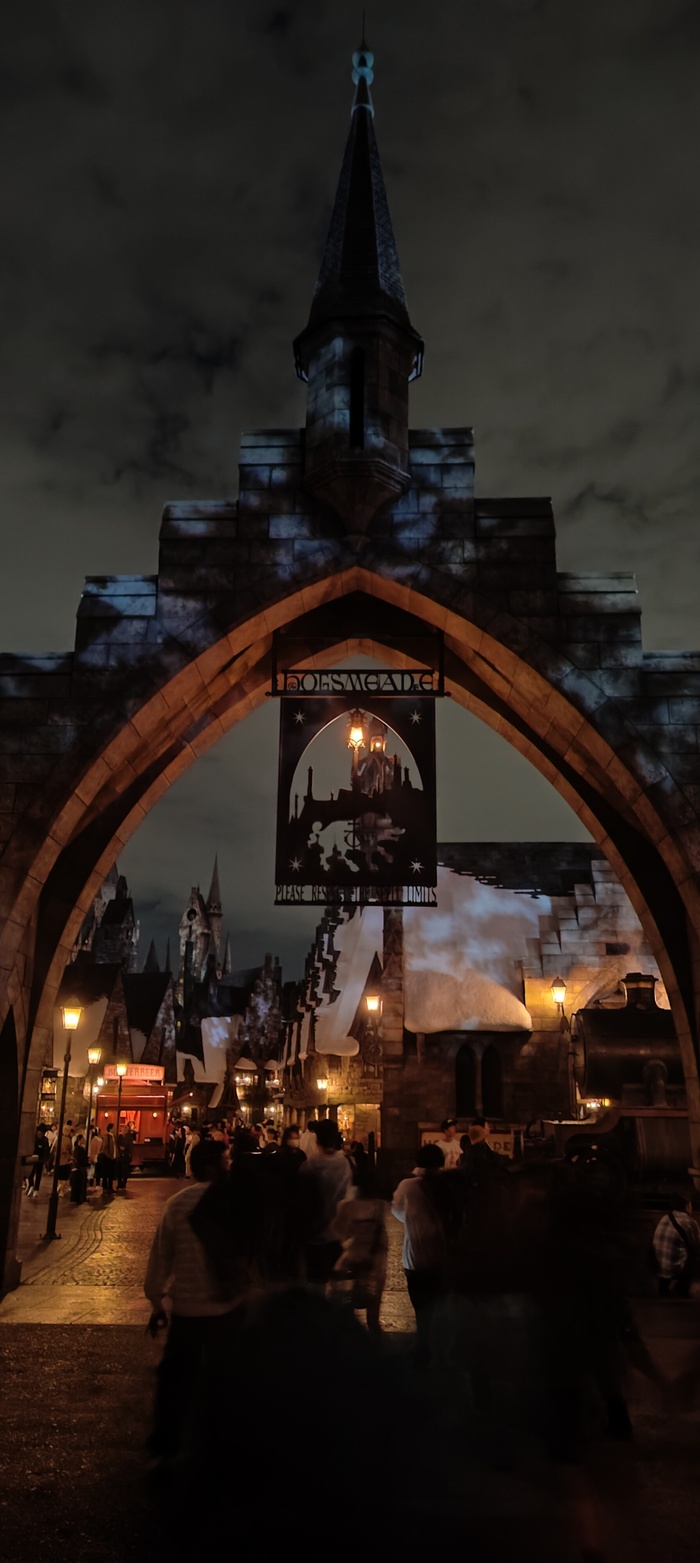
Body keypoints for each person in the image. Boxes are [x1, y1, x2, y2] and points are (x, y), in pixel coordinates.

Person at [145, 1138, 250, 1465]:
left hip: (187, 1306)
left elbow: (161, 1256)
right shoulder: (235, 1202)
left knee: (176, 1379)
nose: (230, 1165)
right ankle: (225, 1445)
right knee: (228, 1376)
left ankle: (166, 1447)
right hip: (227, 1304)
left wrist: (156, 1299)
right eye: (226, 1160)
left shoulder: (176, 1204)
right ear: (215, 1166)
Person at [392, 1143, 446, 1367]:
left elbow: (396, 1209)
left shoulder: (408, 1186)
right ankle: (436, 1345)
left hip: (415, 1254)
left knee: (420, 1303)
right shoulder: (447, 1185)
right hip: (441, 1254)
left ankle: (422, 1344)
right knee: (437, 1302)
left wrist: (412, 1220)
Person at [330, 1155, 388, 1333]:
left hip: (351, 1261)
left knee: (346, 1313)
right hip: (374, 1263)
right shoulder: (380, 1206)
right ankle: (376, 1347)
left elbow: (337, 1230)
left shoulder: (347, 1206)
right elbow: (382, 1236)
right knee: (373, 1317)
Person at [299, 1118, 352, 1284]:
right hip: (340, 1232)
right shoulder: (346, 1162)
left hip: (316, 1232)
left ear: (317, 1139)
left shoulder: (310, 1165)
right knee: (336, 1280)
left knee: (316, 1280)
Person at [653, 1189, 700, 1298]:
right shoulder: (690, 1222)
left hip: (658, 1266)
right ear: (687, 1206)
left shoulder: (665, 1218)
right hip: (674, 1269)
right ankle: (683, 1289)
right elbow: (697, 1246)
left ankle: (665, 1287)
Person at [27, 1123, 50, 1198]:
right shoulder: (34, 1138)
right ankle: (31, 1185)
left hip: (40, 1159)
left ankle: (36, 1189)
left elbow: (46, 1150)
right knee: (30, 1173)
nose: (39, 1133)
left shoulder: (44, 1140)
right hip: (33, 1158)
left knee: (38, 1174)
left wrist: (44, 1159)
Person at [70, 1134, 89, 1204]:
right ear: (80, 1140)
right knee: (78, 1184)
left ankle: (80, 1197)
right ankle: (78, 1198)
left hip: (80, 1167)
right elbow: (79, 1159)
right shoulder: (78, 1148)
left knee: (80, 1184)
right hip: (79, 1168)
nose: (84, 1140)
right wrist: (86, 1163)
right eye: (83, 1139)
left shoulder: (80, 1148)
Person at [57, 1119, 74, 1196]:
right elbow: (70, 1150)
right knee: (64, 1177)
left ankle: (59, 1187)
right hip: (65, 1161)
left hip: (58, 1161)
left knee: (59, 1177)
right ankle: (61, 1190)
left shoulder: (59, 1138)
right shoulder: (68, 1140)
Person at [101, 1121, 117, 1197]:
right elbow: (105, 1148)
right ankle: (105, 1188)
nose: (115, 1129)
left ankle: (110, 1187)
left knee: (111, 1173)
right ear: (110, 1129)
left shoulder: (114, 1137)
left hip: (113, 1158)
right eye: (114, 1128)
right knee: (105, 1173)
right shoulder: (107, 1137)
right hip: (107, 1158)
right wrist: (110, 1156)